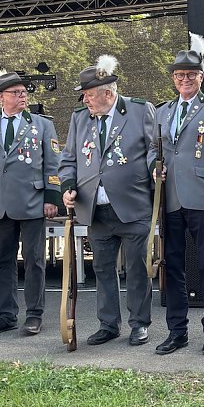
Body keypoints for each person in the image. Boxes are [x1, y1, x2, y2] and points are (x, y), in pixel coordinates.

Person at [59, 55, 155, 347]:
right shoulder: (80, 118)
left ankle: (139, 323)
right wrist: (68, 185)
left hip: (132, 204)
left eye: (89, 94)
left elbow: (153, 148)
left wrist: (155, 169)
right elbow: (68, 159)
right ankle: (108, 324)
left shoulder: (139, 111)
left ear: (108, 94)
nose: (86, 100)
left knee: (137, 269)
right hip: (95, 210)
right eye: (85, 95)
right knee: (102, 269)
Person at [152, 34, 204, 356]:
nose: (185, 80)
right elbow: (152, 150)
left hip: (202, 196)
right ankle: (177, 331)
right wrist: (153, 170)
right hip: (170, 197)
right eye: (179, 75)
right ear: (173, 79)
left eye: (191, 75)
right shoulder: (163, 111)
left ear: (201, 77)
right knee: (172, 267)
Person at [0, 71, 61, 337]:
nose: (22, 96)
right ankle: (6, 314)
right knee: (4, 261)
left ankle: (34, 315)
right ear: (1, 97)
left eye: (24, 92)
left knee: (34, 260)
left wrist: (51, 196)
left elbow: (53, 164)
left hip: (32, 201)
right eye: (16, 93)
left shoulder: (42, 125)